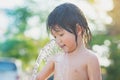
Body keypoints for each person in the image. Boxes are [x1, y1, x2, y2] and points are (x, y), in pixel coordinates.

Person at [36, 3, 102, 80]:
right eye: (55, 37)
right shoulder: (56, 59)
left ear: (78, 29)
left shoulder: (90, 59)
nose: (57, 41)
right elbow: (38, 78)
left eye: (61, 35)